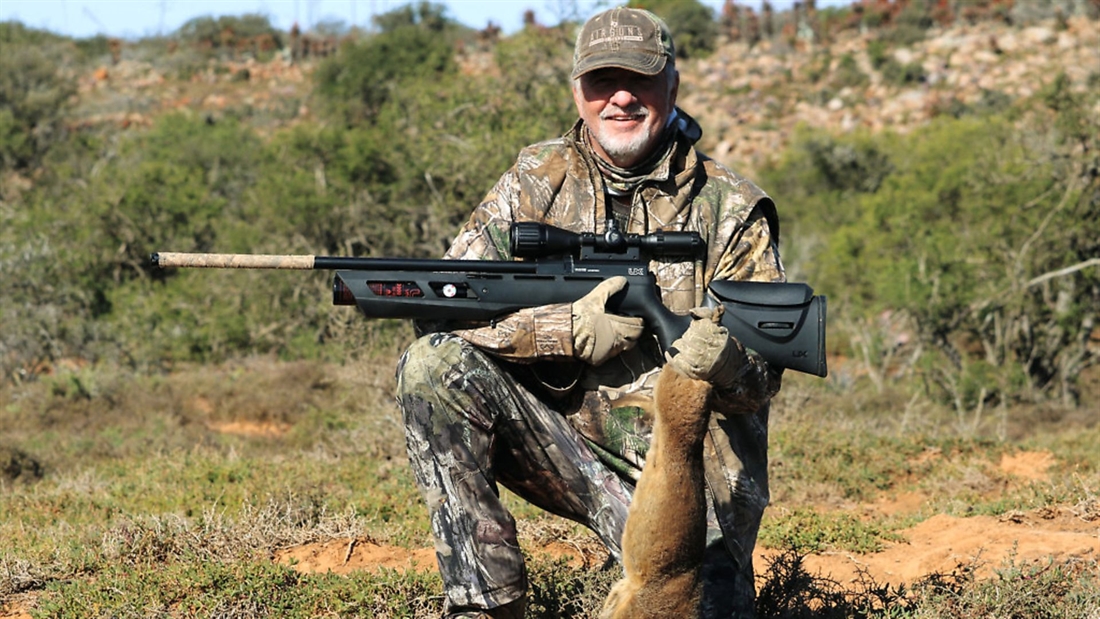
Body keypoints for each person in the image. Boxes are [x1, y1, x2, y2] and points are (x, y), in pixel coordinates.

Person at [395, 7, 784, 618]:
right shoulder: (531, 180)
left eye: (640, 80)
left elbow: (763, 379)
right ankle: (485, 604)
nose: (621, 98)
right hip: (570, 452)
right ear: (578, 91)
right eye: (603, 81)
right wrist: (565, 331)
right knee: (433, 367)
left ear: (672, 86)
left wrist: (728, 361)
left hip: (690, 495)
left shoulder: (731, 207)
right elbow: (444, 307)